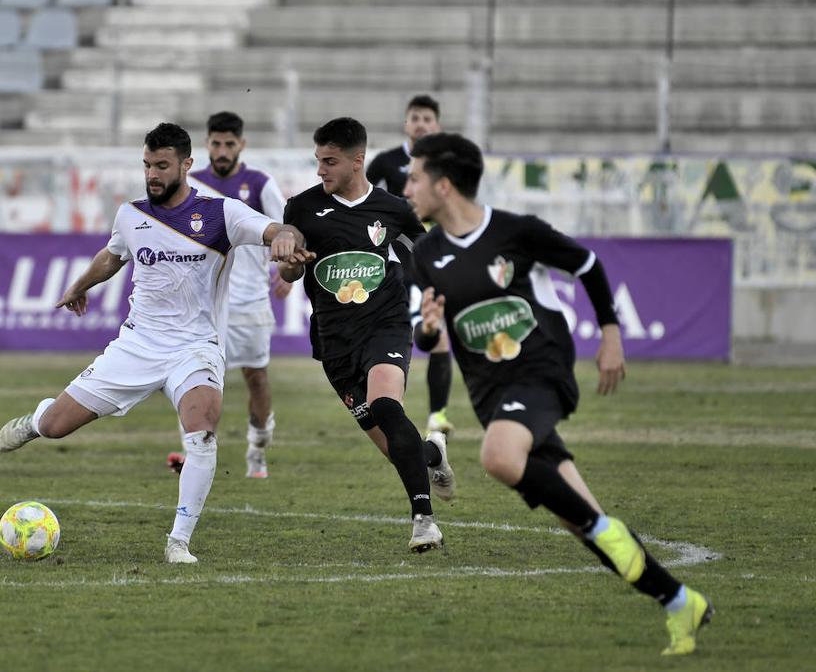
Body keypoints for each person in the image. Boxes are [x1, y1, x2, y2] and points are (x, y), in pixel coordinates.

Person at [403, 132, 712, 656]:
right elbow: (425, 336)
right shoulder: (428, 252)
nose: (406, 187)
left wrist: (611, 333)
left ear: (444, 184)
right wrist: (430, 330)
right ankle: (680, 601)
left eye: (413, 178)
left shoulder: (515, 232)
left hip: (542, 372)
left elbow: (587, 265)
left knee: (499, 457)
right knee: (578, 521)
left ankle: (604, 527)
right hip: (490, 393)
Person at [0, 123, 311, 564]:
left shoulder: (222, 213)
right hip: (137, 345)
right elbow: (113, 255)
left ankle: (178, 541)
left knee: (202, 427)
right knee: (57, 427)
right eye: (147, 165)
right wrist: (81, 285)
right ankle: (36, 420)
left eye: (162, 166)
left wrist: (287, 239)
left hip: (195, 347)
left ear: (186, 165)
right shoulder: (132, 214)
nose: (152, 174)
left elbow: (276, 228)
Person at [278, 117, 454, 553]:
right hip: (335, 343)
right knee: (396, 447)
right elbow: (288, 264)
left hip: (386, 326)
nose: (321, 170)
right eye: (318, 161)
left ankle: (424, 522)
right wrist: (290, 261)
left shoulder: (395, 210)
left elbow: (428, 254)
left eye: (330, 161)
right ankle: (431, 454)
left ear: (358, 161)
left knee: (386, 406)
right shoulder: (301, 208)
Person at [167, 111, 289, 479]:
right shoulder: (191, 183)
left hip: (249, 301)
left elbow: (287, 230)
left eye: (229, 144)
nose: (222, 150)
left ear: (241, 145)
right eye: (216, 143)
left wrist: (286, 271)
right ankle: (195, 454)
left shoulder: (260, 183)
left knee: (256, 376)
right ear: (207, 144)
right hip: (202, 304)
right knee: (193, 377)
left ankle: (258, 447)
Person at [367, 94, 455, 437]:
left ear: (437, 126)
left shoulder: (447, 167)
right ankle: (390, 409)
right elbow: (365, 201)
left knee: (439, 338)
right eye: (414, 117)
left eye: (427, 118)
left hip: (431, 262)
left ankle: (437, 416)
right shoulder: (386, 162)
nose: (420, 123)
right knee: (387, 338)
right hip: (392, 263)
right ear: (406, 123)